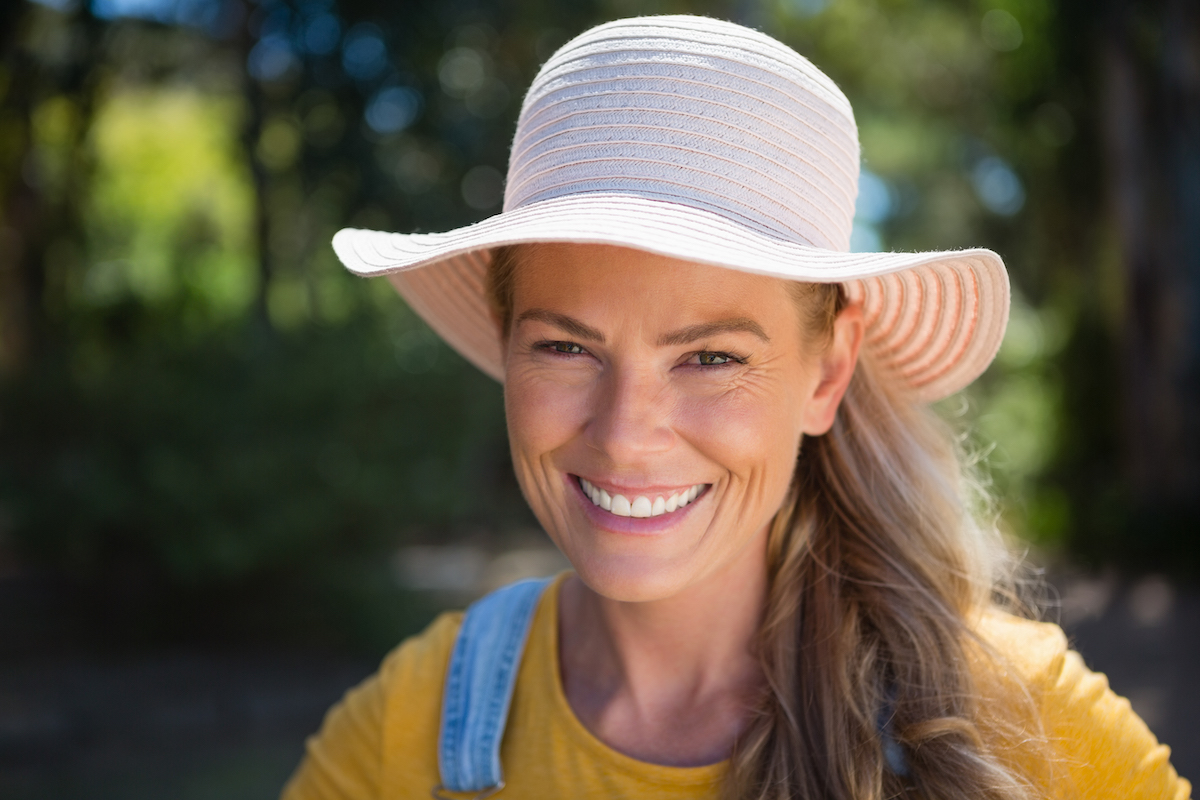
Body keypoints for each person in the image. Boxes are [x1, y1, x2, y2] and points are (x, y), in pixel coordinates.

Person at [282, 15, 1190, 800]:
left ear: (827, 372)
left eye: (711, 357)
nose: (627, 434)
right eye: (565, 347)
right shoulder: (410, 728)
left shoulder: (1013, 719)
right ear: (506, 339)